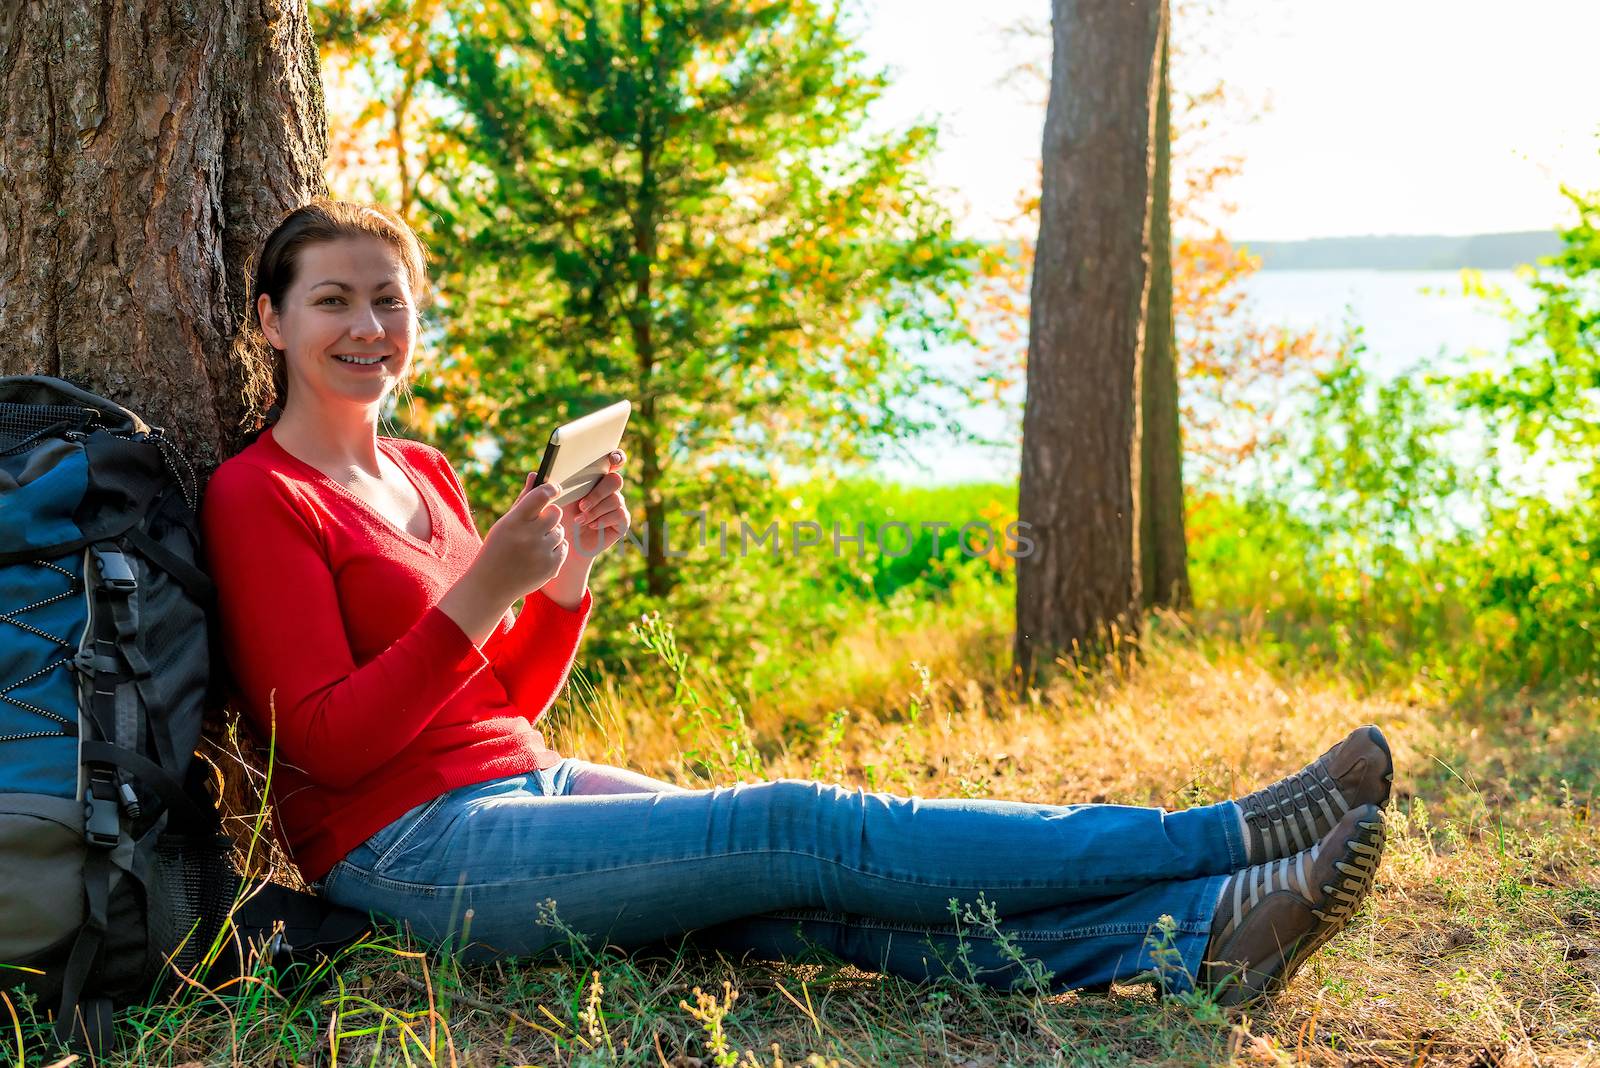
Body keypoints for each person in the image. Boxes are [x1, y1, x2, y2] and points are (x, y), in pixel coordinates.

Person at [201, 198, 1393, 1006]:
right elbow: (322, 744)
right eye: (332, 302)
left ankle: (1196, 936)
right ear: (271, 321)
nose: (367, 328)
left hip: (522, 784)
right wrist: (483, 592)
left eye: (388, 302)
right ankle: (1224, 836)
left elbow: (498, 705)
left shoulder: (422, 472)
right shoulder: (260, 496)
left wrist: (560, 583)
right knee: (796, 825)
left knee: (793, 900)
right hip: (409, 853)